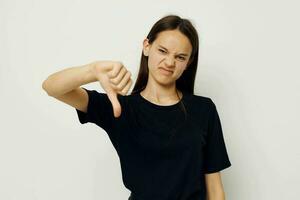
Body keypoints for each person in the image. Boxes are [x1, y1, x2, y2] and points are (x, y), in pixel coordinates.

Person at [42, 14, 231, 200]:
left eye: (180, 57)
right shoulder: (120, 108)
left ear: (188, 63)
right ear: (147, 47)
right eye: (162, 51)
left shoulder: (203, 110)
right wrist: (93, 71)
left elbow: (215, 191)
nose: (169, 63)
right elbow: (52, 87)